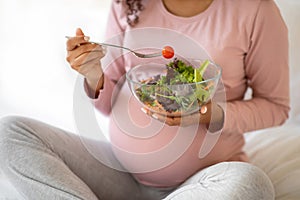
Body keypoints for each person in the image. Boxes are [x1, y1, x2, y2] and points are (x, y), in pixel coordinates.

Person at [0, 0, 289, 199]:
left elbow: (276, 108)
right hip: (119, 173)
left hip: (204, 182)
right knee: (10, 133)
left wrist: (205, 113)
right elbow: (107, 99)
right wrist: (92, 73)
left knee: (252, 184)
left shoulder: (255, 11)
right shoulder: (129, 4)